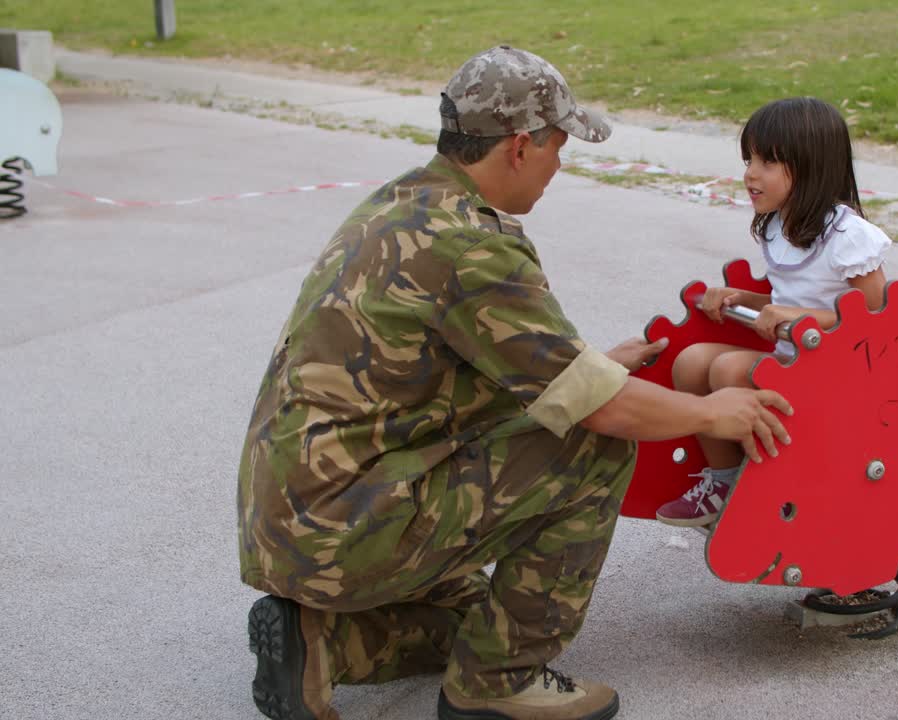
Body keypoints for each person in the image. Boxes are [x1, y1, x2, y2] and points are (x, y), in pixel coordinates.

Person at [237, 46, 792, 720]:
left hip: (299, 517)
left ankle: (321, 643)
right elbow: (604, 413)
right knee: (595, 451)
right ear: (522, 146)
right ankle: (497, 685)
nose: (561, 163)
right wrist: (713, 413)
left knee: (475, 610)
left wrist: (596, 365)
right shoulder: (474, 246)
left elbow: (481, 362)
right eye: (559, 144)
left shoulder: (405, 204)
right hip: (349, 527)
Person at [655, 96, 890, 527]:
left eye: (766, 162)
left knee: (727, 369)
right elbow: (791, 299)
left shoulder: (849, 236)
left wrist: (797, 318)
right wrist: (744, 300)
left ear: (810, 166)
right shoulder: (781, 225)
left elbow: (878, 320)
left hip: (841, 370)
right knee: (691, 363)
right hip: (794, 355)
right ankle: (725, 481)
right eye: (749, 159)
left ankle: (761, 487)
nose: (750, 174)